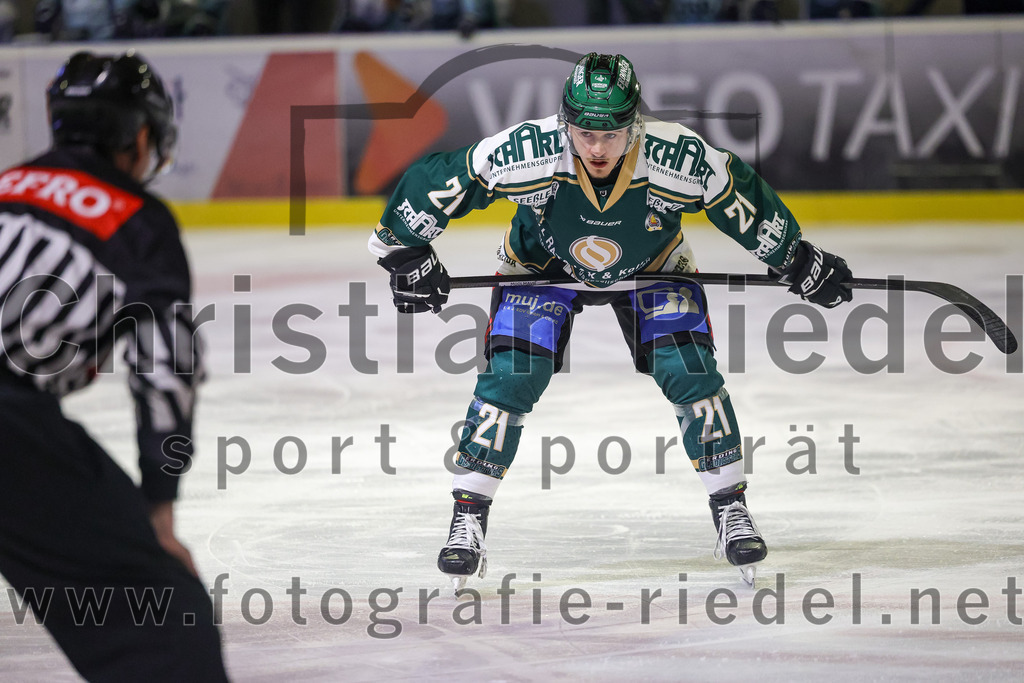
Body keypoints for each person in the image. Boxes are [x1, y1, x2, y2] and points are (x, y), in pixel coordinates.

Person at [369, 52, 853, 589]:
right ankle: (468, 516)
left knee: (690, 370)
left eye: (612, 134)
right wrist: (405, 253)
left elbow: (740, 198)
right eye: (585, 133)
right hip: (541, 268)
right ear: (565, 123)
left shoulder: (677, 156)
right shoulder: (530, 150)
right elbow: (441, 180)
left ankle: (730, 506)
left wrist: (796, 258)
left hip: (654, 267)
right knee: (511, 376)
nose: (597, 149)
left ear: (635, 125)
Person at [0, 51, 229, 681]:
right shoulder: (137, 219)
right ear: (141, 137)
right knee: (165, 622)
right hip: (10, 426)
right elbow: (166, 367)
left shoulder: (9, 185)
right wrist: (159, 506)